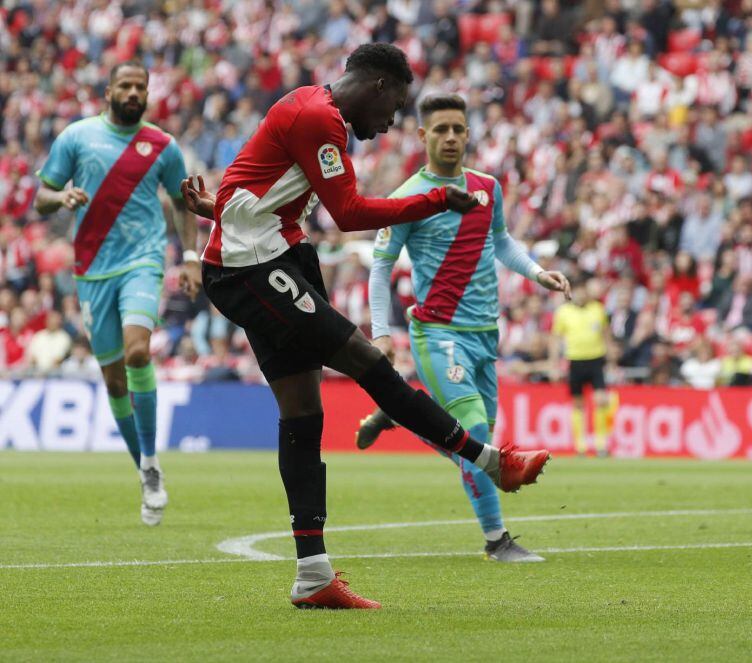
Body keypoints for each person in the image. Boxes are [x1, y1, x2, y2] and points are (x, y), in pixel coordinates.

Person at [180, 44, 551, 610]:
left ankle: (313, 576)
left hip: (273, 254)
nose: (392, 122)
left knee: (304, 414)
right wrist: (432, 202)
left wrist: (216, 210)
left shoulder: (308, 110)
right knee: (367, 360)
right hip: (249, 267)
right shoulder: (319, 118)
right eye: (396, 106)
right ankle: (491, 462)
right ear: (378, 85)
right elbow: (349, 214)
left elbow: (249, 181)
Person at [353, 94, 571, 563]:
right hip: (437, 333)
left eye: (457, 129)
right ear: (422, 136)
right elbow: (380, 267)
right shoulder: (408, 197)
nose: (450, 137)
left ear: (468, 134)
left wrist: (537, 273)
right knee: (476, 437)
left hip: (484, 336)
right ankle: (498, 542)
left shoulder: (488, 188)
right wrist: (381, 332)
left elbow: (501, 242)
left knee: (475, 448)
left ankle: (404, 416)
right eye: (440, 130)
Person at [34, 61, 201, 526]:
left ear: (147, 94)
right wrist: (62, 198)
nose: (133, 92)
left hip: (143, 261)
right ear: (108, 90)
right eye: (124, 84)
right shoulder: (76, 137)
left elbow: (184, 203)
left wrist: (189, 256)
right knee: (112, 382)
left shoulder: (164, 147)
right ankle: (146, 471)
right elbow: (40, 197)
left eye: (140, 87)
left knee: (137, 352)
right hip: (92, 270)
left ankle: (149, 458)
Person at [549, 277, 617, 457]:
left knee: (601, 400)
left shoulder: (598, 309)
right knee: (578, 404)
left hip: (596, 359)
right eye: (577, 290)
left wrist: (612, 361)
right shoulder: (563, 312)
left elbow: (607, 336)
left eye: (583, 290)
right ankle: (580, 446)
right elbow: (556, 339)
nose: (580, 294)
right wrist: (554, 363)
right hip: (575, 361)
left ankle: (601, 444)